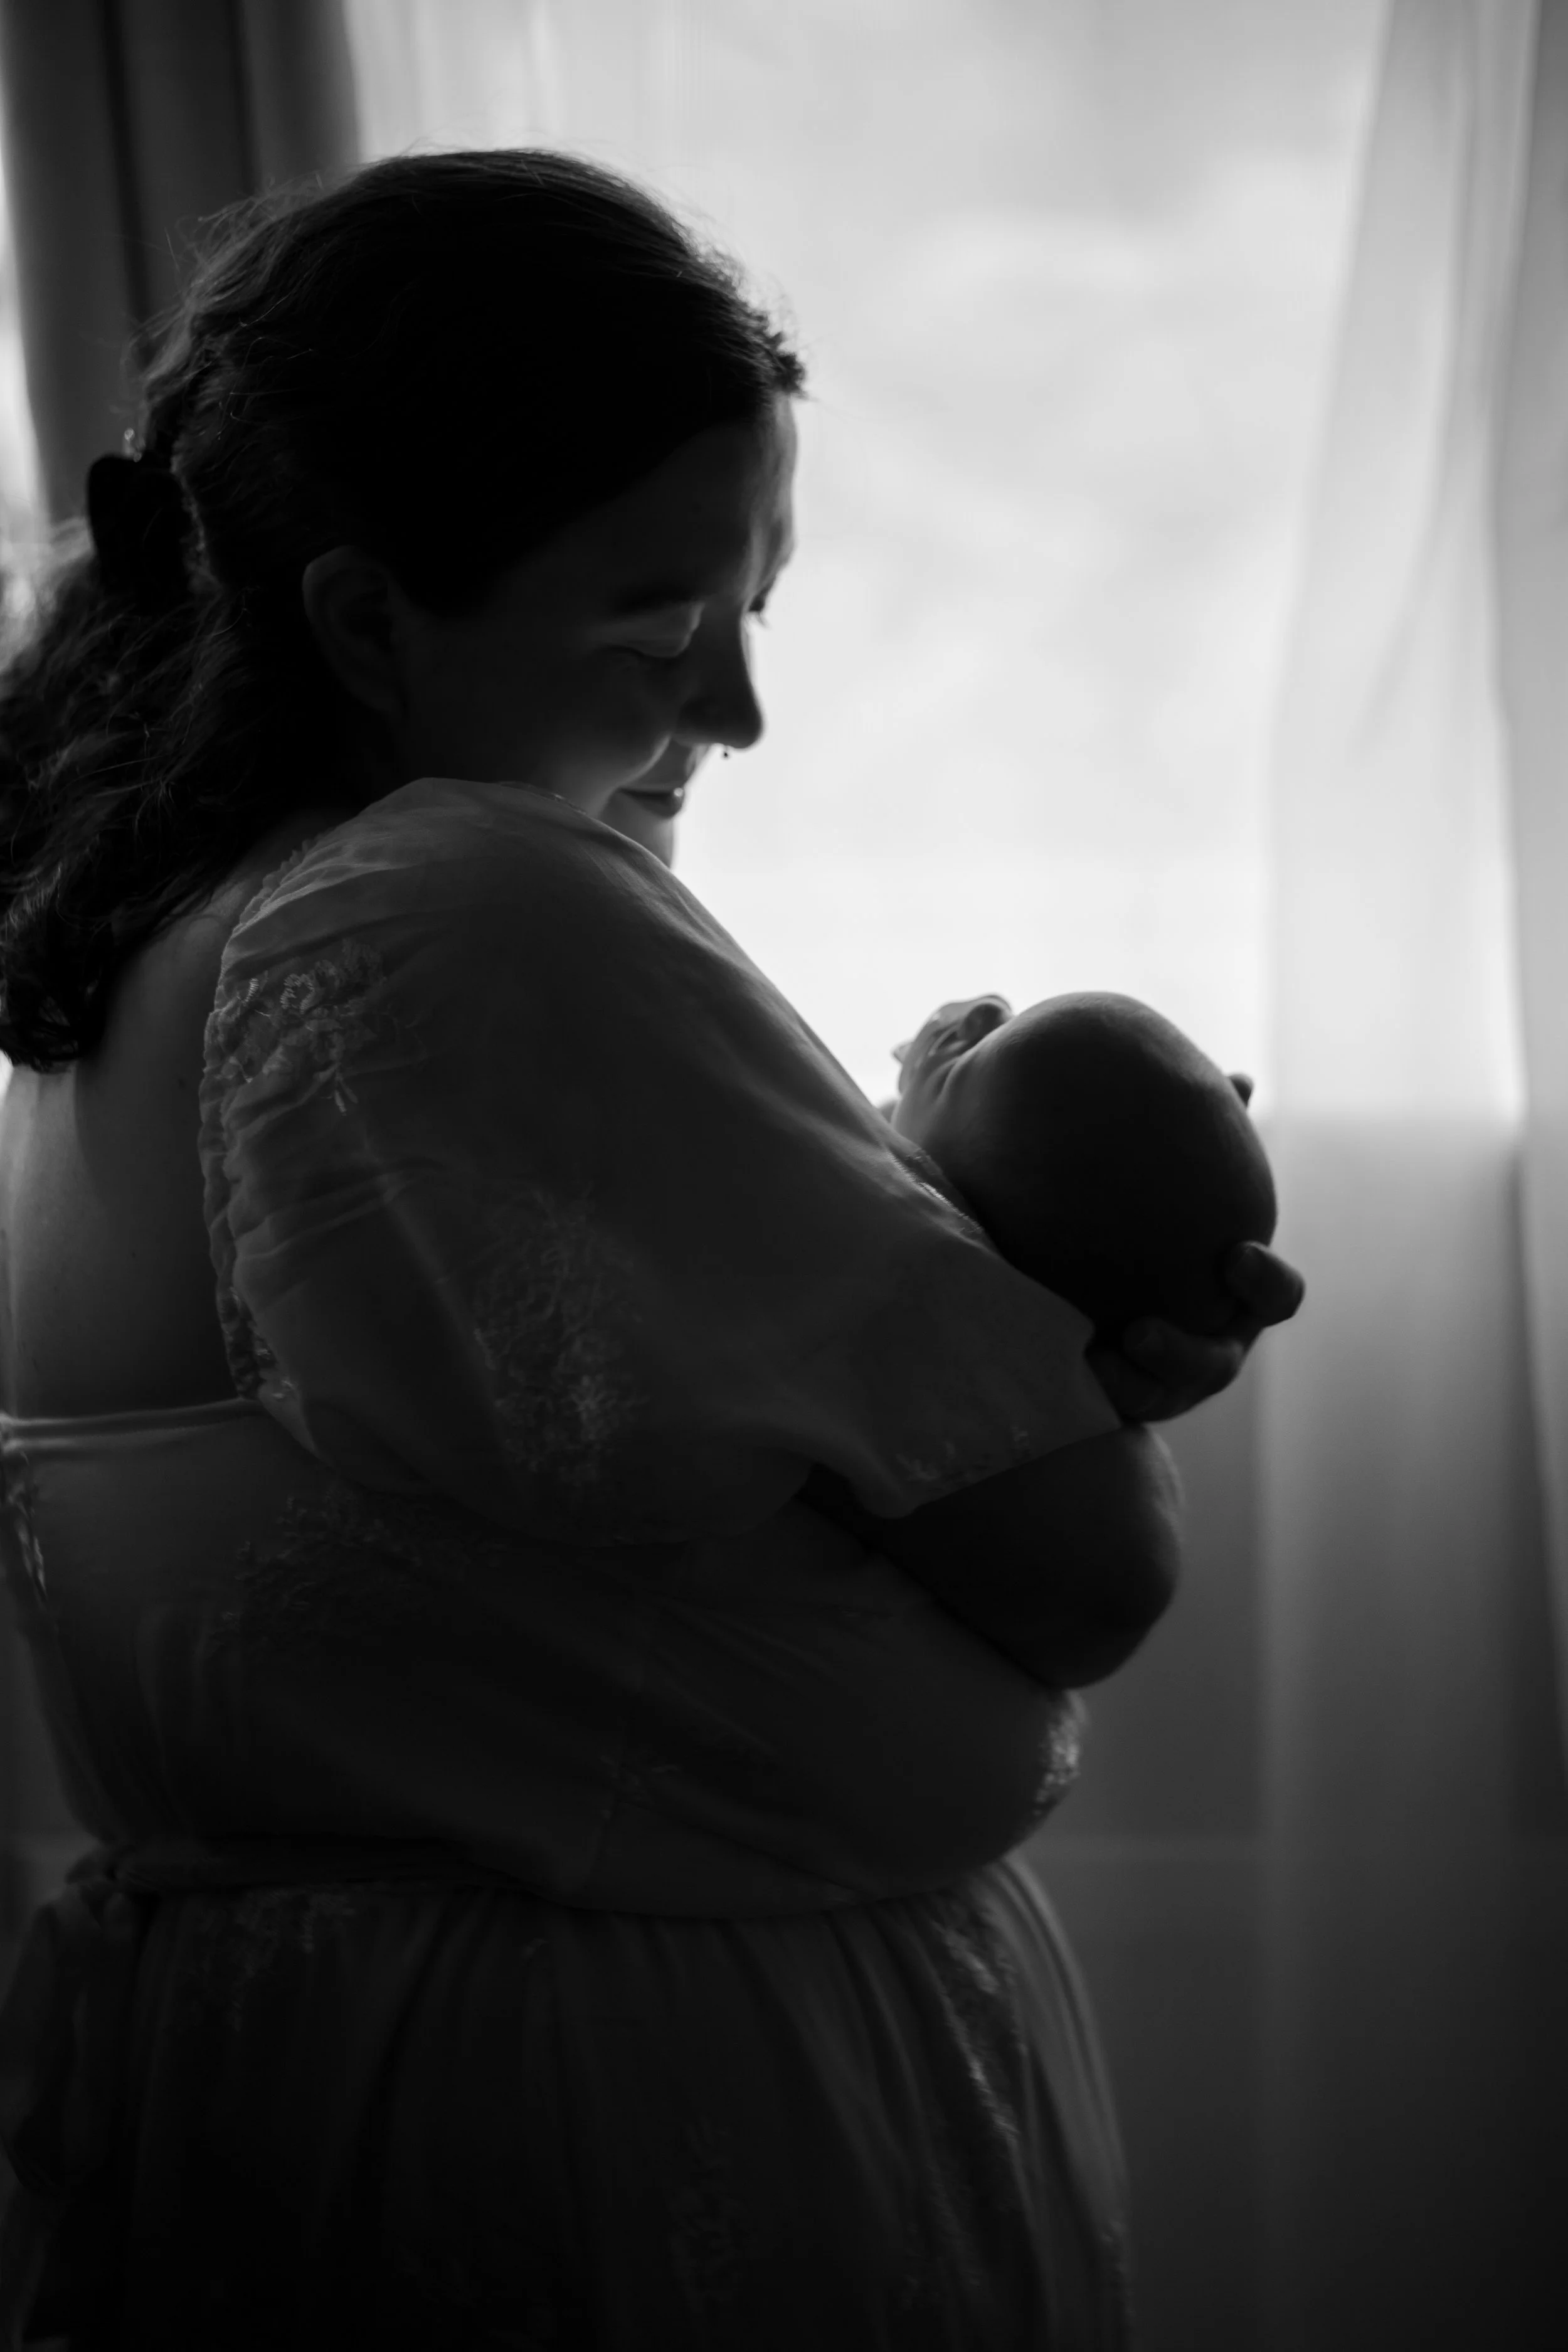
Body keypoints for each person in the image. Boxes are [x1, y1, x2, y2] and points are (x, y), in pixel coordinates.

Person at [0, 152, 1303, 2349]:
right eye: (655, 625)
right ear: (363, 621)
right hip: (618, 2139)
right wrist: (958, 1237)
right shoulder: (448, 910)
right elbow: (1091, 1567)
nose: (739, 714)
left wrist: (949, 1294)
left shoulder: (124, 972)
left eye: (754, 604)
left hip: (336, 2094)